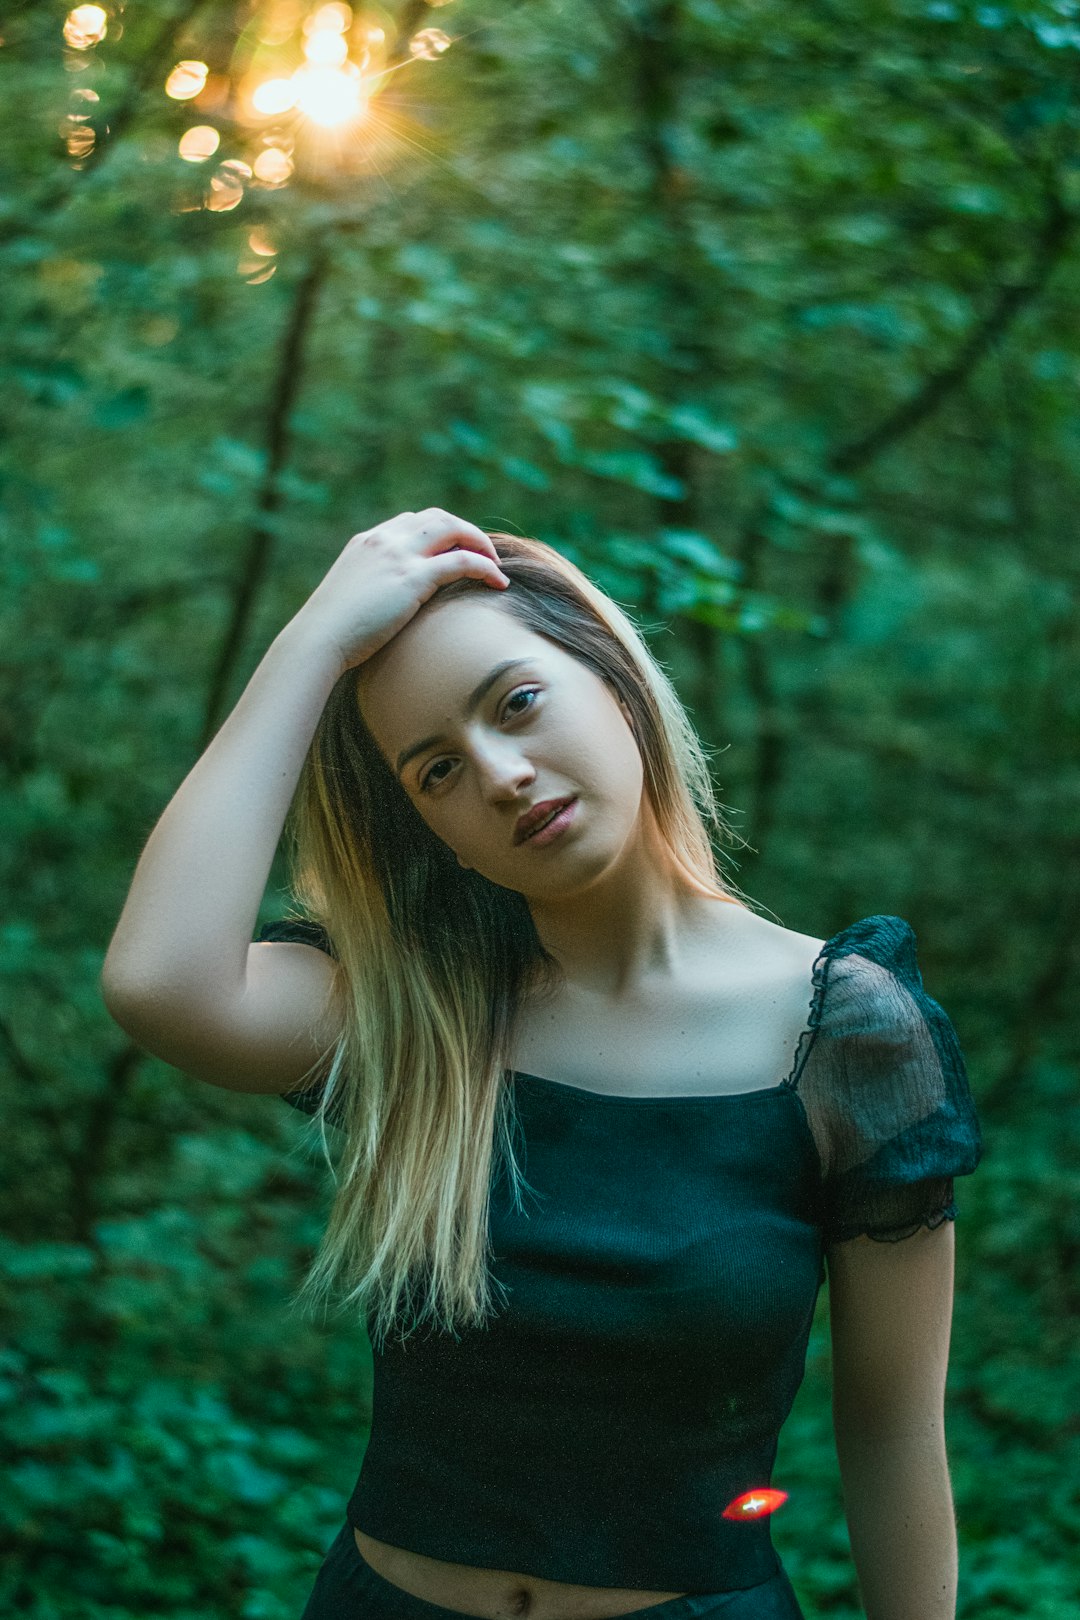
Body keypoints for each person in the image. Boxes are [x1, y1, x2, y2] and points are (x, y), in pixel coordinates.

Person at [101, 509, 983, 1620]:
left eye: (515, 703)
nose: (502, 775)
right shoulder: (421, 1018)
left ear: (611, 676)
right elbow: (159, 983)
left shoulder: (848, 1034)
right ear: (437, 834)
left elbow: (892, 1433)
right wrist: (313, 642)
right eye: (437, 773)